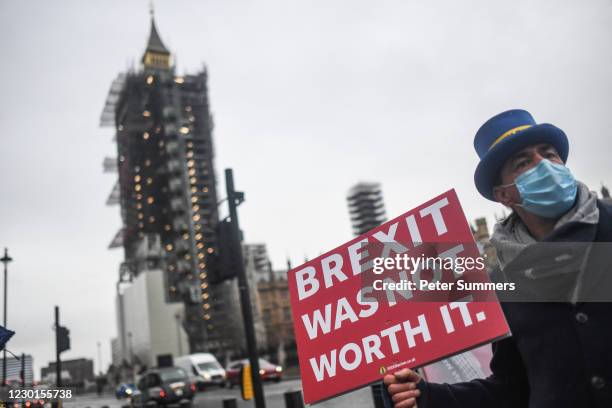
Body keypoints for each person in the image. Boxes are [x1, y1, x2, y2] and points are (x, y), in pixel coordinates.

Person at [384, 109, 612, 408]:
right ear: (504, 195)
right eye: (523, 163)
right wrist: (425, 396)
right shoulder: (505, 283)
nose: (542, 165)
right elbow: (510, 390)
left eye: (548, 154)